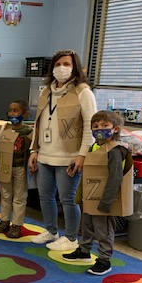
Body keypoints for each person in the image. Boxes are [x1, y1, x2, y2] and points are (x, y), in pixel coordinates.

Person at [28, 49, 97, 251]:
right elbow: (38, 123)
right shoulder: (47, 90)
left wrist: (82, 154)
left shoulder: (83, 92)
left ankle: (71, 237)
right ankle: (51, 230)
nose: (62, 68)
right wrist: (34, 150)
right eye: (58, 64)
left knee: (67, 198)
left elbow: (89, 126)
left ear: (75, 67)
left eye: (67, 64)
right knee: (45, 196)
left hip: (69, 156)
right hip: (44, 154)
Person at [61, 110, 132, 275]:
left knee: (103, 230)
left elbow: (115, 177)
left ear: (115, 128)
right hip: (90, 196)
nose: (100, 129)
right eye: (96, 126)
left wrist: (106, 201)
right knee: (86, 226)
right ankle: (84, 251)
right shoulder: (94, 147)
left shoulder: (115, 151)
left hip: (104, 198)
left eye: (105, 126)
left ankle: (104, 260)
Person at [0, 99, 33, 239]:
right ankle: (4, 221)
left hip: (20, 168)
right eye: (10, 110)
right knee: (5, 195)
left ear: (24, 113)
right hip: (5, 167)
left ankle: (17, 225)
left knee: (19, 197)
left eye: (15, 110)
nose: (11, 113)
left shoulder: (29, 131)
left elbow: (33, 150)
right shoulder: (5, 128)